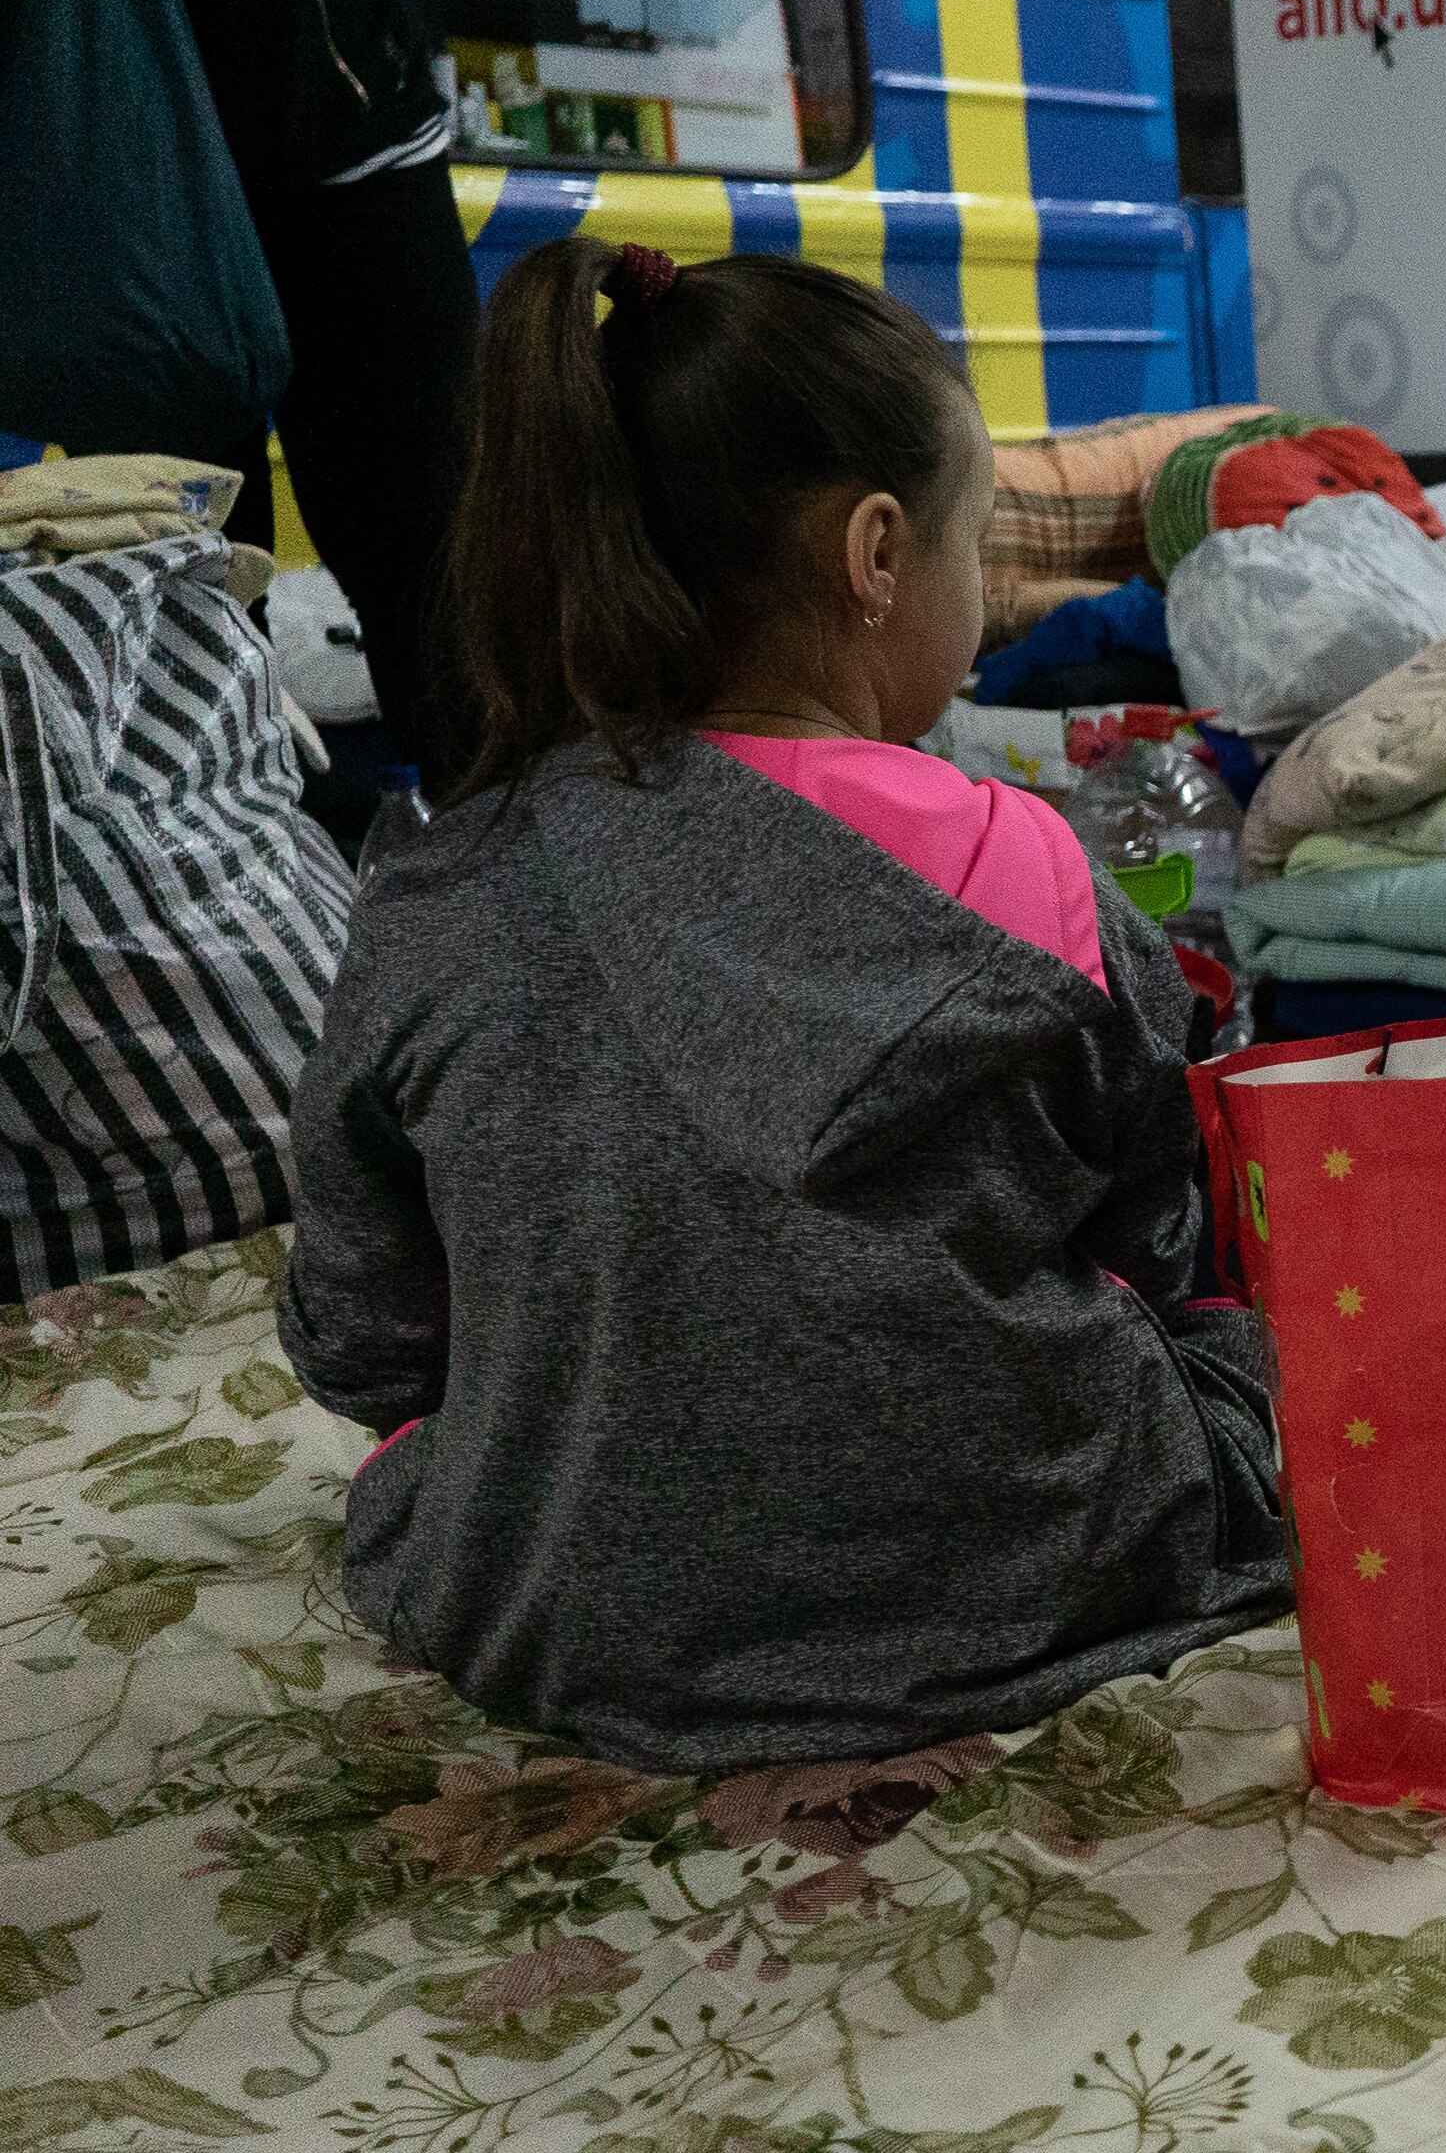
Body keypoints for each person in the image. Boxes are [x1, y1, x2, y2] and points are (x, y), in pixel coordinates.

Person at [283, 239, 1289, 1771]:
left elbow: (360, 1344)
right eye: (980, 543)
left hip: (568, 1620)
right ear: (878, 554)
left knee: (455, 1461)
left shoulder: (438, 893)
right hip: (1024, 1580)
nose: (983, 586)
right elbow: (1151, 1245)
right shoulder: (1014, 861)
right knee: (1259, 1359)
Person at [115, 0, 549, 789]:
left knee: (443, 582)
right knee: (180, 601)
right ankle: (227, 916)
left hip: (351, 151)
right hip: (131, 177)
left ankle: (525, 902)